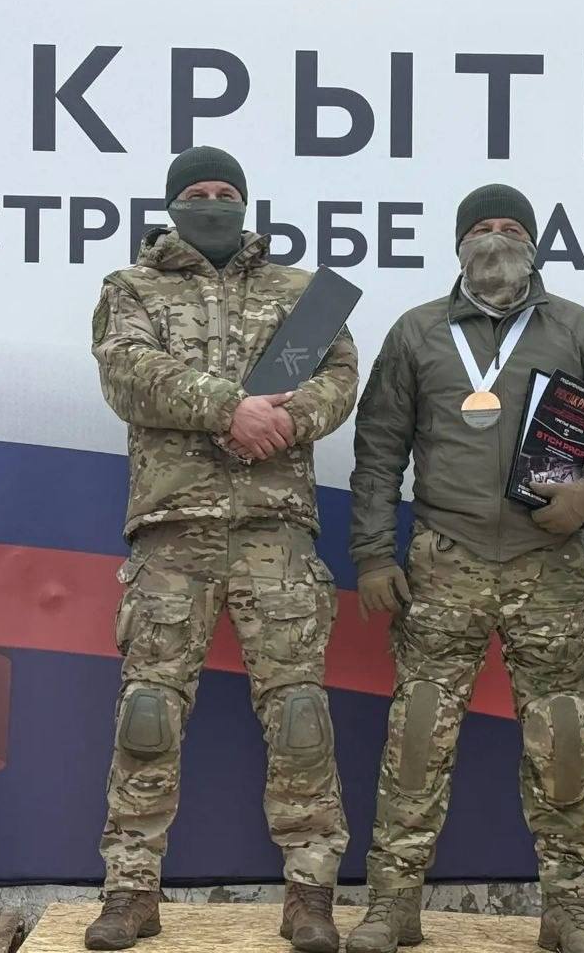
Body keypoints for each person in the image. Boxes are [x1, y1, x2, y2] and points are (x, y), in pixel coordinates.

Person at [346, 183, 584, 953]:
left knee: (562, 741)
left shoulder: (578, 330)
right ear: (459, 245)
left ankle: (570, 912)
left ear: (533, 244)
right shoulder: (417, 333)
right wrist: (373, 553)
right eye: (481, 227)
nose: (496, 238)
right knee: (417, 736)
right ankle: (393, 906)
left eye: (511, 227)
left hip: (547, 566)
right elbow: (378, 450)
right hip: (442, 562)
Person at [85, 147, 357, 953]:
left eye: (226, 191)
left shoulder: (301, 293)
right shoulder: (131, 288)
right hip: (173, 531)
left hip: (277, 530)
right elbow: (127, 373)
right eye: (198, 192)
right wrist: (228, 409)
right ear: (174, 205)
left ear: (246, 202)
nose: (213, 201)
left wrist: (285, 421)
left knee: (300, 716)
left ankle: (310, 896)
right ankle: (131, 893)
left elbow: (338, 375)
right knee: (148, 716)